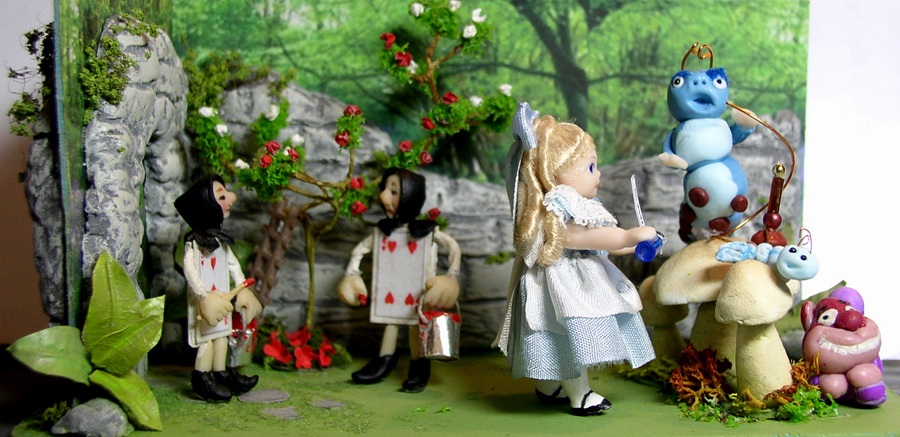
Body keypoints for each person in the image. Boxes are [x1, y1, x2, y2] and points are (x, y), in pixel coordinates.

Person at [495, 103, 657, 416]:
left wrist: (631, 245)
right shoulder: (559, 203)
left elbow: (600, 243)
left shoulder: (576, 203)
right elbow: (579, 238)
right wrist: (627, 236)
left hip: (574, 277)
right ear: (557, 171)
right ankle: (579, 394)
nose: (599, 174)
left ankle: (549, 385)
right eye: (591, 167)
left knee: (556, 338)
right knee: (570, 339)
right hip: (565, 286)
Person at [337, 167, 461, 393]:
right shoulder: (383, 231)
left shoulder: (427, 231)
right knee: (391, 323)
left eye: (393, 191)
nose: (384, 197)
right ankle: (384, 359)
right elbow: (359, 250)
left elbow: (452, 246)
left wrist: (451, 277)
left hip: (418, 293)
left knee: (415, 326)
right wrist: (351, 274)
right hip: (391, 290)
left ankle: (418, 364)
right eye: (385, 189)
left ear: (410, 195)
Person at [175, 175, 263, 402]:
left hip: (223, 300)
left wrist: (242, 288)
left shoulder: (222, 243)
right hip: (206, 305)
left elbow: (233, 265)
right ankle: (202, 377)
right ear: (206, 205)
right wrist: (203, 296)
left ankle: (221, 373)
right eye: (221, 197)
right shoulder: (194, 244)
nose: (231, 198)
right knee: (207, 340)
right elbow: (190, 270)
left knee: (222, 337)